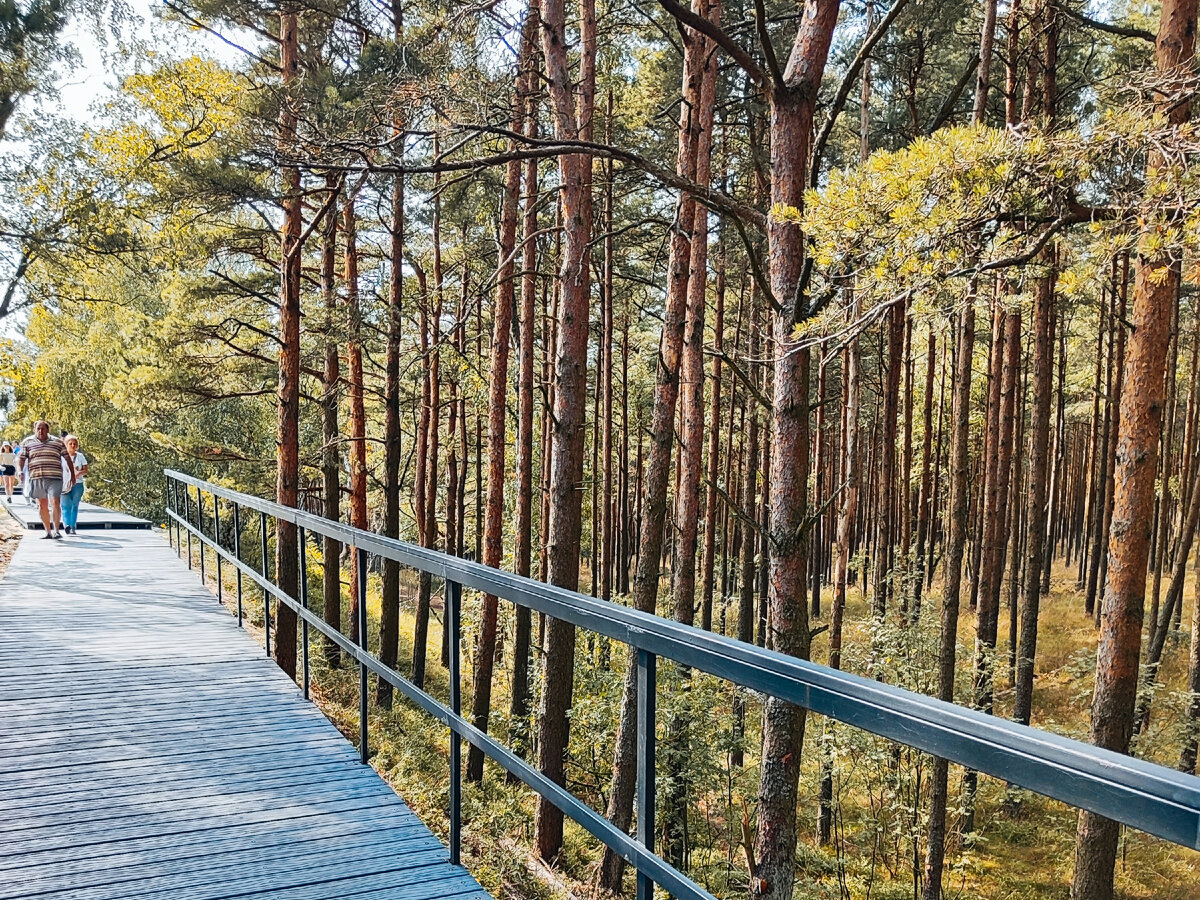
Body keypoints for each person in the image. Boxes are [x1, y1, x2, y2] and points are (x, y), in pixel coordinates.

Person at [20, 421, 76, 539]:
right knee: (42, 505)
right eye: (38, 429)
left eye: (43, 429)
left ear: (47, 430)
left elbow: (67, 458)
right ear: (35, 430)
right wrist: (20, 471)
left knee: (55, 502)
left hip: (54, 477)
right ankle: (47, 531)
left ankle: (56, 530)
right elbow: (22, 458)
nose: (40, 431)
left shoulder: (57, 442)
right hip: (37, 477)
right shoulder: (28, 443)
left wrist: (72, 475)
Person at [60, 435, 87, 535]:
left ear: (77, 446)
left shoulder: (80, 456)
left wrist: (79, 473)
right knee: (65, 505)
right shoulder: (61, 457)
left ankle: (72, 526)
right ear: (66, 445)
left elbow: (86, 470)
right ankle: (66, 525)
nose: (72, 445)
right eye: (70, 443)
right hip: (64, 484)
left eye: (74, 444)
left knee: (74, 505)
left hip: (77, 484)